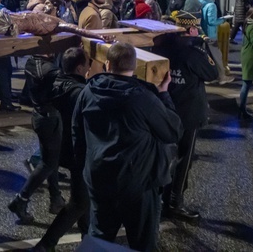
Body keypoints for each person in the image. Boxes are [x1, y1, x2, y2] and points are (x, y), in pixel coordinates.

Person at [72, 43, 182, 251]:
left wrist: (85, 168)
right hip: (137, 183)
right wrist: (164, 95)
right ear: (135, 66)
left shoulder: (88, 92)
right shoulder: (143, 98)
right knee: (142, 242)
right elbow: (173, 130)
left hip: (100, 178)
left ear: (107, 64)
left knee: (100, 238)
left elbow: (77, 134)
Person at [152, 11, 219, 221]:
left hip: (165, 109)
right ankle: (175, 202)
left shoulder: (162, 47)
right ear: (191, 29)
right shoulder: (193, 52)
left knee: (163, 156)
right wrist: (202, 46)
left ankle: (159, 196)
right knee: (183, 159)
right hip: (188, 113)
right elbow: (213, 73)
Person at [30, 48, 91, 251]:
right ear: (81, 67)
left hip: (66, 147)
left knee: (84, 198)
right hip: (81, 152)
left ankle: (87, 237)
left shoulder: (57, 84)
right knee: (79, 203)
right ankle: (46, 244)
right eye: (88, 64)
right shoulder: (80, 93)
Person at [8, 53, 64, 224]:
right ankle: (21, 200)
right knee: (48, 163)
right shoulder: (50, 70)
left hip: (40, 115)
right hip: (49, 118)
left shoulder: (33, 62)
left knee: (50, 161)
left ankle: (56, 198)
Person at [198, 0, 234, 84]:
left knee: (207, 57)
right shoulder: (211, 5)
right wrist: (223, 20)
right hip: (211, 34)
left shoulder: (199, 1)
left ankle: (208, 78)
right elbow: (212, 21)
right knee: (217, 57)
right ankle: (222, 77)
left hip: (202, 33)